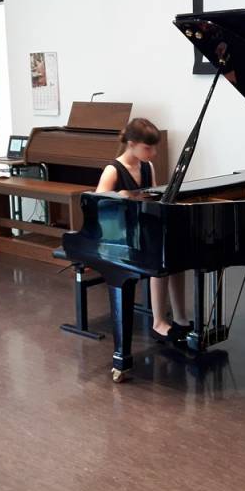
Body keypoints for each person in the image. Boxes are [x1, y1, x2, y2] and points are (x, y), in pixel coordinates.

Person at [96, 118, 190, 344]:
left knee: (177, 253)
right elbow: (97, 203)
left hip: (141, 229)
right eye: (148, 148)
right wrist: (118, 196)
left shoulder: (147, 167)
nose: (154, 153)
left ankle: (181, 318)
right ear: (131, 144)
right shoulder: (113, 170)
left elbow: (152, 199)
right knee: (160, 254)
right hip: (120, 234)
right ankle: (159, 322)